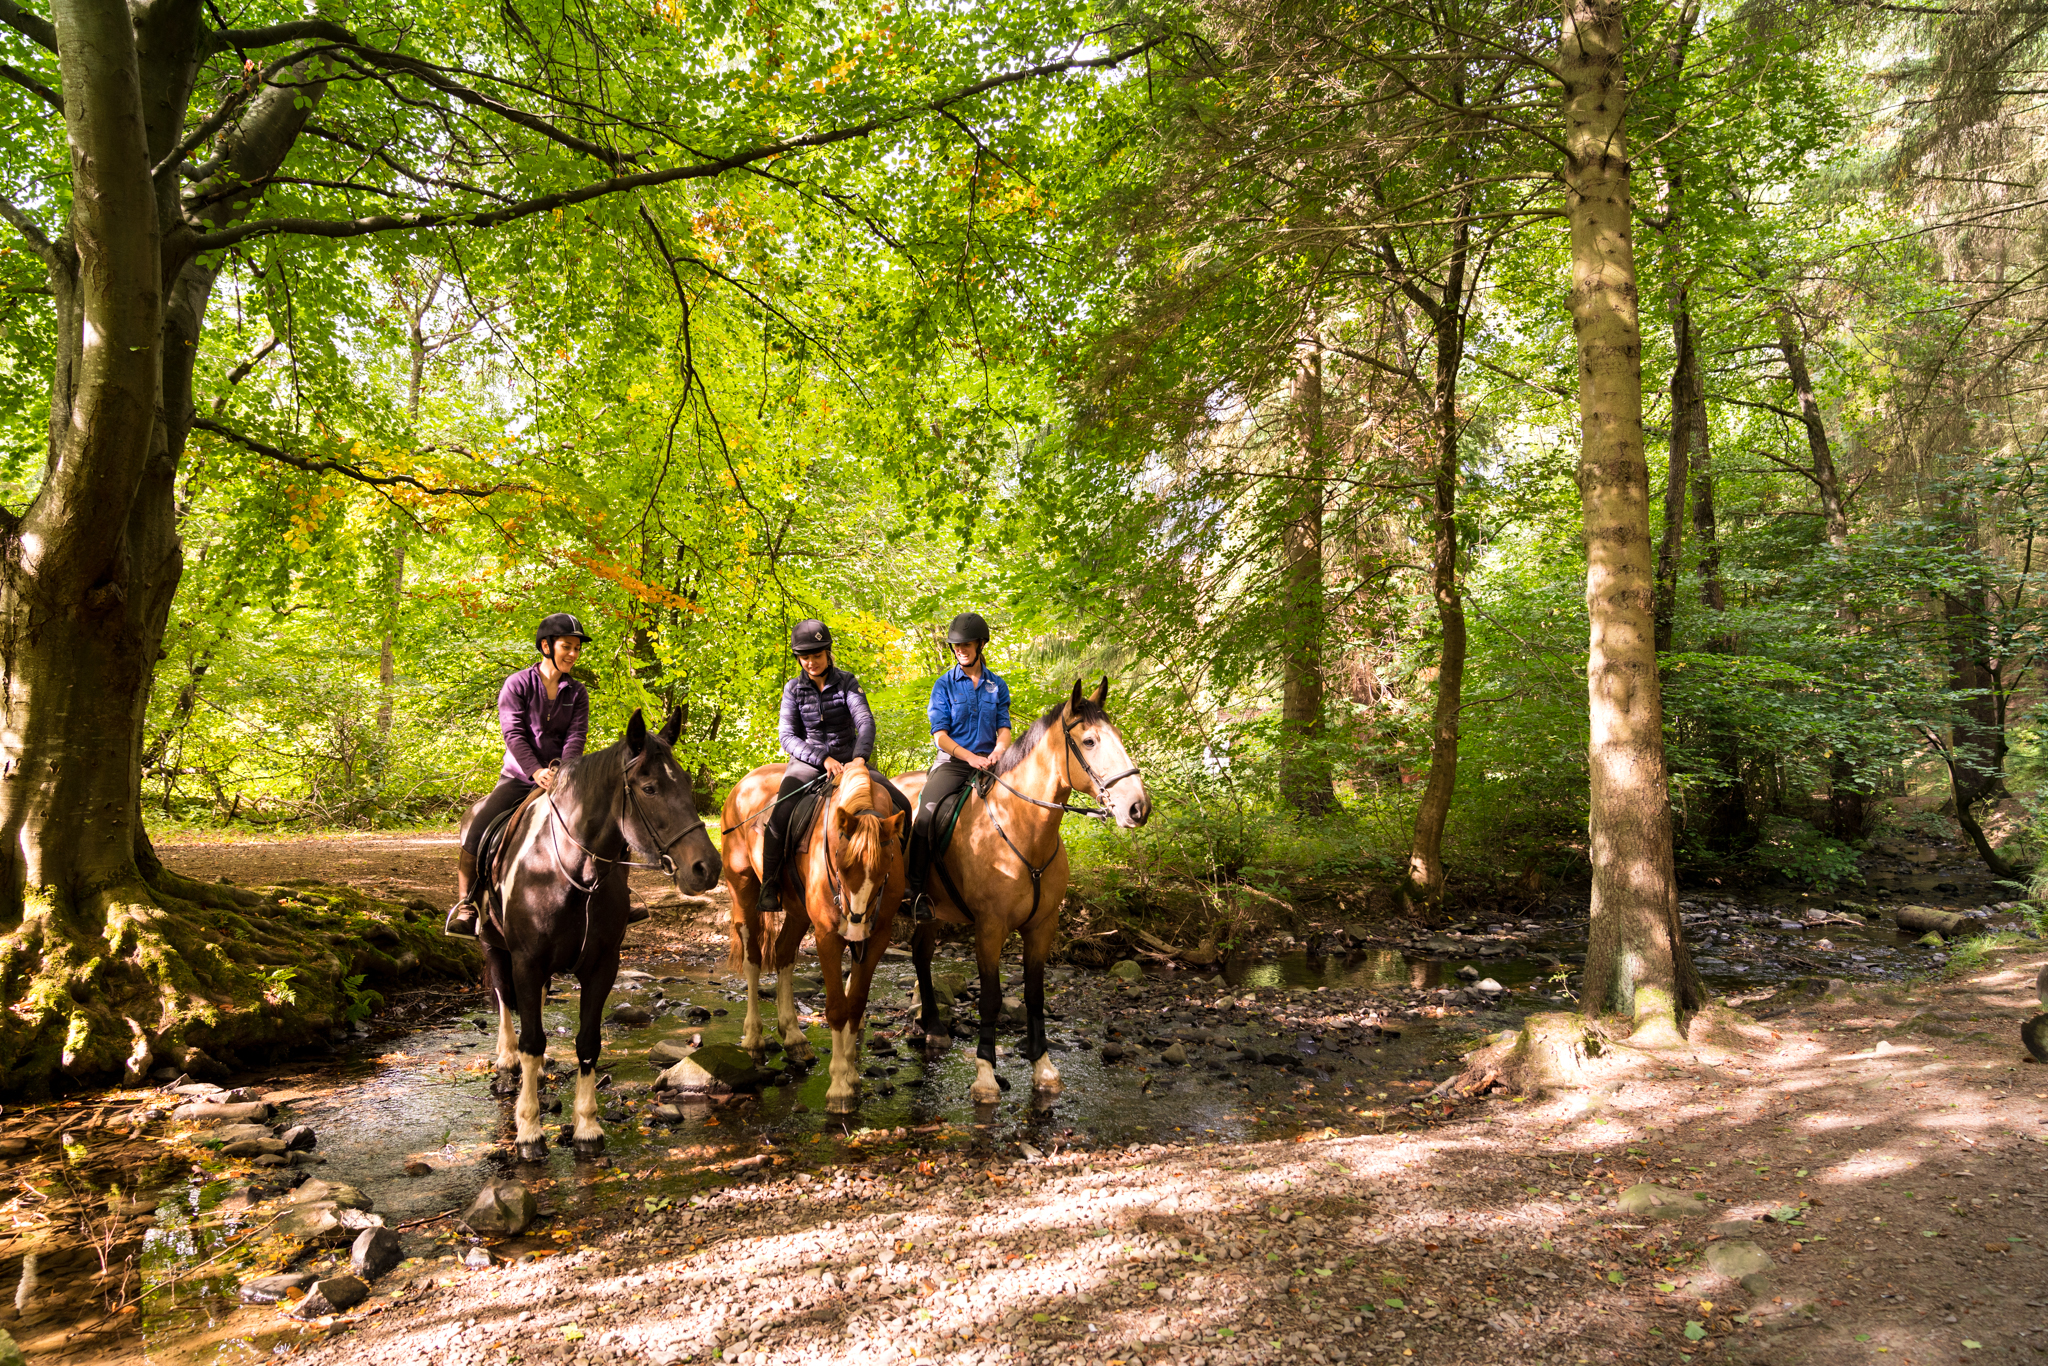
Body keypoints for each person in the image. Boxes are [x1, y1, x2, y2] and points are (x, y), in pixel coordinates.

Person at [445, 612, 593, 938]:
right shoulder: (517, 684)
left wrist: (562, 772)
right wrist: (535, 770)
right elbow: (513, 733)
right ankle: (468, 906)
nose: (573, 654)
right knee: (477, 827)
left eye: (577, 648)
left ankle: (615, 899)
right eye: (567, 646)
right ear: (546, 646)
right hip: (518, 777)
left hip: (563, 779)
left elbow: (576, 736)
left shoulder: (578, 692)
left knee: (603, 820)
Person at [757, 619, 877, 916]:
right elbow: (787, 736)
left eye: (817, 655)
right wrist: (822, 758)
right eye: (805, 657)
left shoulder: (847, 682)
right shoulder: (793, 689)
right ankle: (769, 885)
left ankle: (903, 883)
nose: (811, 662)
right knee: (779, 816)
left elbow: (864, 721)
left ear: (828, 653)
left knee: (897, 801)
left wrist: (859, 757)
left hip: (850, 761)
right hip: (808, 762)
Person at [904, 612, 1011, 923]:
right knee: (925, 816)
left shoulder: (996, 685)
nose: (960, 649)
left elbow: (1004, 727)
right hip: (953, 764)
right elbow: (940, 736)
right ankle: (915, 891)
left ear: (980, 644)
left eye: (966, 644)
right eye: (956, 645)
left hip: (991, 763)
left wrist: (998, 750)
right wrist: (969, 757)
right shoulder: (944, 685)